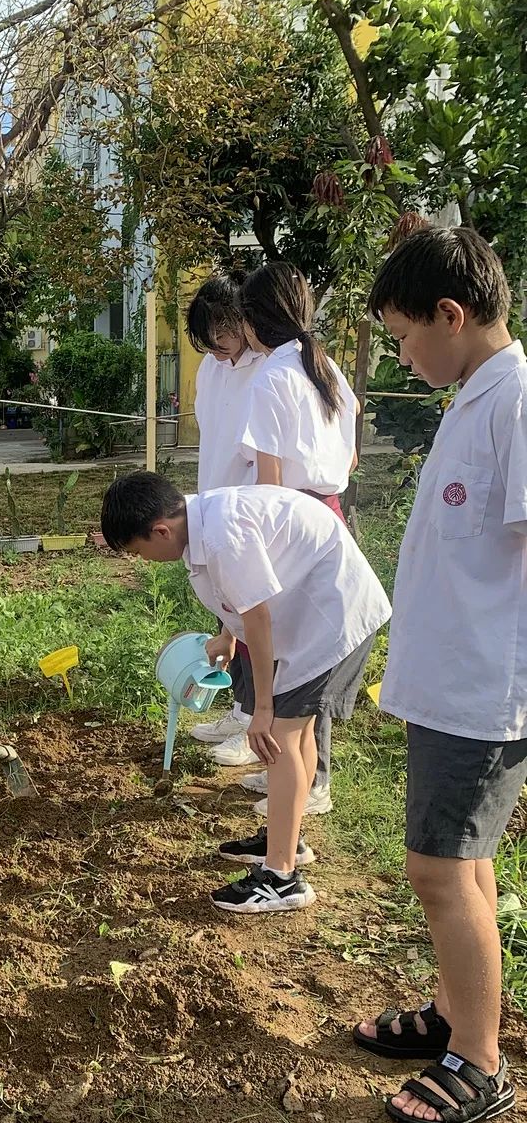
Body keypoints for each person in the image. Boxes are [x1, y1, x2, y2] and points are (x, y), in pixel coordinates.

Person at [353, 227, 524, 1123]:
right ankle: (461, 1016)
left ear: (451, 316)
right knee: (465, 865)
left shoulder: (515, 400)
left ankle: (480, 1061)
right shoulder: (473, 395)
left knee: (439, 868)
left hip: (483, 690)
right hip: (452, 681)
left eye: (403, 336)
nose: (401, 353)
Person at [101, 472, 389, 913]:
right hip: (313, 612)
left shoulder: (220, 536)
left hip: (332, 618)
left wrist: (262, 707)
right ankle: (285, 839)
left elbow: (258, 617)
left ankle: (282, 877)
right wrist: (226, 635)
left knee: (280, 737)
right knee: (294, 734)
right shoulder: (197, 521)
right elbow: (241, 596)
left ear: (161, 530)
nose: (144, 561)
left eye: (139, 552)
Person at [228, 262, 360, 816]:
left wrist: (267, 551)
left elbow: (270, 482)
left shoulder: (273, 378)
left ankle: (312, 782)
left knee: (302, 654)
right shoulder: (327, 369)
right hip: (329, 514)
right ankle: (296, 772)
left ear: (254, 324)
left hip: (292, 523)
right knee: (311, 649)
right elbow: (351, 457)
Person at [183, 273, 266, 759]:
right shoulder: (213, 371)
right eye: (207, 338)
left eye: (223, 333)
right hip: (214, 499)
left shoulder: (266, 366)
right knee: (226, 610)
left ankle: (257, 717)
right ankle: (239, 707)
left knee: (255, 615)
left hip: (249, 509)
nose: (216, 345)